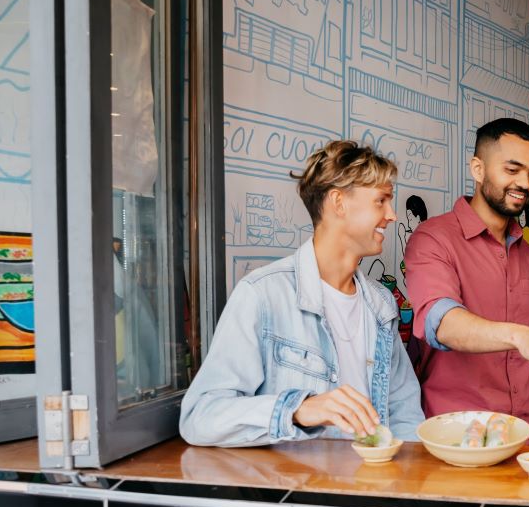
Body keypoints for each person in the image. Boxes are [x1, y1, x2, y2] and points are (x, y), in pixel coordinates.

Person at [179, 141, 423, 446]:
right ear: (338, 203)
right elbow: (200, 417)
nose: (392, 215)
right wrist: (297, 409)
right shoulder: (262, 295)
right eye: (381, 200)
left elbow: (405, 413)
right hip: (297, 491)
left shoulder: (381, 303)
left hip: (373, 487)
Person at [404, 118, 529, 445]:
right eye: (512, 170)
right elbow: (442, 324)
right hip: (459, 441)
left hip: (528, 438)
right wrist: (519, 336)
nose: (525, 183)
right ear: (478, 169)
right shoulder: (433, 239)